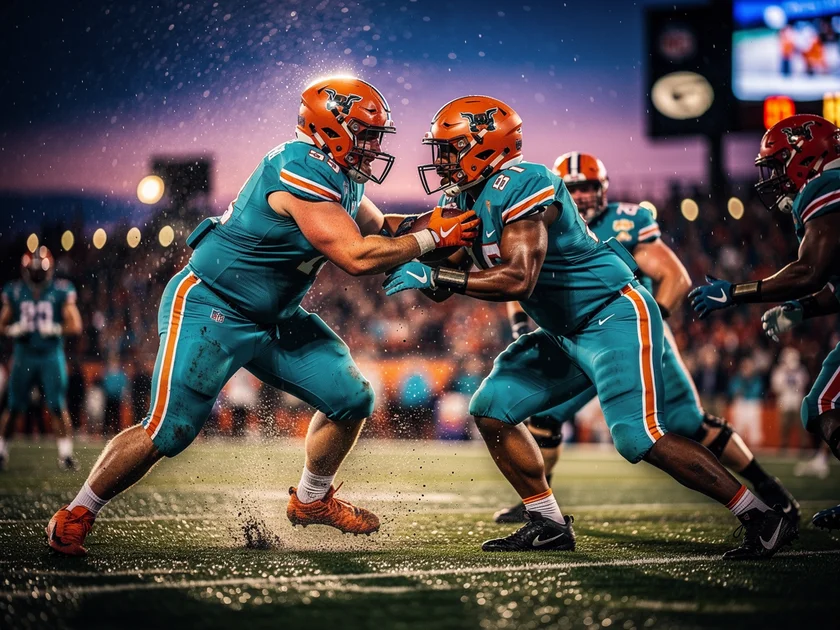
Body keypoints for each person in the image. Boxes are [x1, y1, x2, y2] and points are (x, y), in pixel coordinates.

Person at [45, 76, 478, 556]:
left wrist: (439, 228)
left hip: (275, 317)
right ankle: (78, 512)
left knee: (351, 397)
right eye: (365, 133)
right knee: (170, 429)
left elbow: (383, 230)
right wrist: (431, 240)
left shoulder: (341, 177)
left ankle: (312, 500)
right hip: (213, 305)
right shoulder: (298, 166)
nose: (373, 146)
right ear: (329, 129)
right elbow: (355, 256)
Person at [384, 95, 797, 559]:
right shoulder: (463, 198)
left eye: (451, 148)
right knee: (492, 408)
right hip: (564, 331)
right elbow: (450, 273)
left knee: (638, 437)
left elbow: (519, 277)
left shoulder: (525, 183)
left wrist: (438, 273)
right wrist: (418, 253)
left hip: (611, 315)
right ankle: (547, 522)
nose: (442, 161)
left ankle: (760, 515)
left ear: (487, 146)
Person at [493, 152, 798, 525]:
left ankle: (770, 493)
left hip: (629, 334)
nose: (582, 195)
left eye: (589, 187)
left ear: (602, 189)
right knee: (543, 417)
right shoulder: (539, 223)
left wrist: (647, 329)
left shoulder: (627, 220)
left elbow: (676, 277)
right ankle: (542, 510)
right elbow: (519, 280)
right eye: (573, 188)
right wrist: (523, 331)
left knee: (688, 423)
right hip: (577, 338)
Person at [690, 113, 840, 530]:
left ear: (804, 155)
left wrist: (736, 293)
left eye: (777, 164)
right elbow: (830, 285)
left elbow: (809, 270)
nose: (773, 177)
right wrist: (803, 308)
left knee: (825, 405)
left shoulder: (826, 185)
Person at [0, 247, 82, 471]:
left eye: (40, 270)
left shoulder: (60, 290)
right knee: (13, 405)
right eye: (33, 270)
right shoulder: (15, 291)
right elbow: (1, 325)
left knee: (57, 405)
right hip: (24, 354)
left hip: (49, 354)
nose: (36, 274)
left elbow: (75, 324)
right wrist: (12, 330)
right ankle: (1, 451)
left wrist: (57, 328)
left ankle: (65, 454)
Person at [771, 347, 810, 451]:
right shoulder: (779, 371)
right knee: (784, 426)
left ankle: (804, 445)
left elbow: (803, 384)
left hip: (797, 400)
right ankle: (784, 444)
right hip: (784, 401)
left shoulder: (801, 370)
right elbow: (776, 386)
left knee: (801, 424)